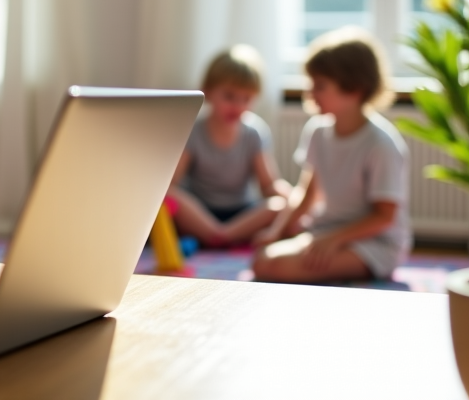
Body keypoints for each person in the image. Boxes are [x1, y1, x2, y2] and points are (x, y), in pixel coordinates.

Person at [252, 27, 411, 284]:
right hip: (327, 233)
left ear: (355, 89)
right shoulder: (317, 131)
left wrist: (333, 240)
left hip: (373, 245)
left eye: (320, 86)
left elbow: (384, 216)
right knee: (264, 260)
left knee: (276, 267)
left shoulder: (380, 144)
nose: (310, 94)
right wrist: (276, 233)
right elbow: (307, 194)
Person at [168, 45, 291, 248]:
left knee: (279, 205)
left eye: (246, 99)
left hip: (241, 213)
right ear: (208, 91)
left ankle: (221, 236)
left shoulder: (254, 132)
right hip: (202, 212)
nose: (238, 106)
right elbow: (173, 183)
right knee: (169, 195)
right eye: (229, 96)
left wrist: (288, 195)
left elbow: (268, 185)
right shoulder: (194, 131)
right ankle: (215, 234)